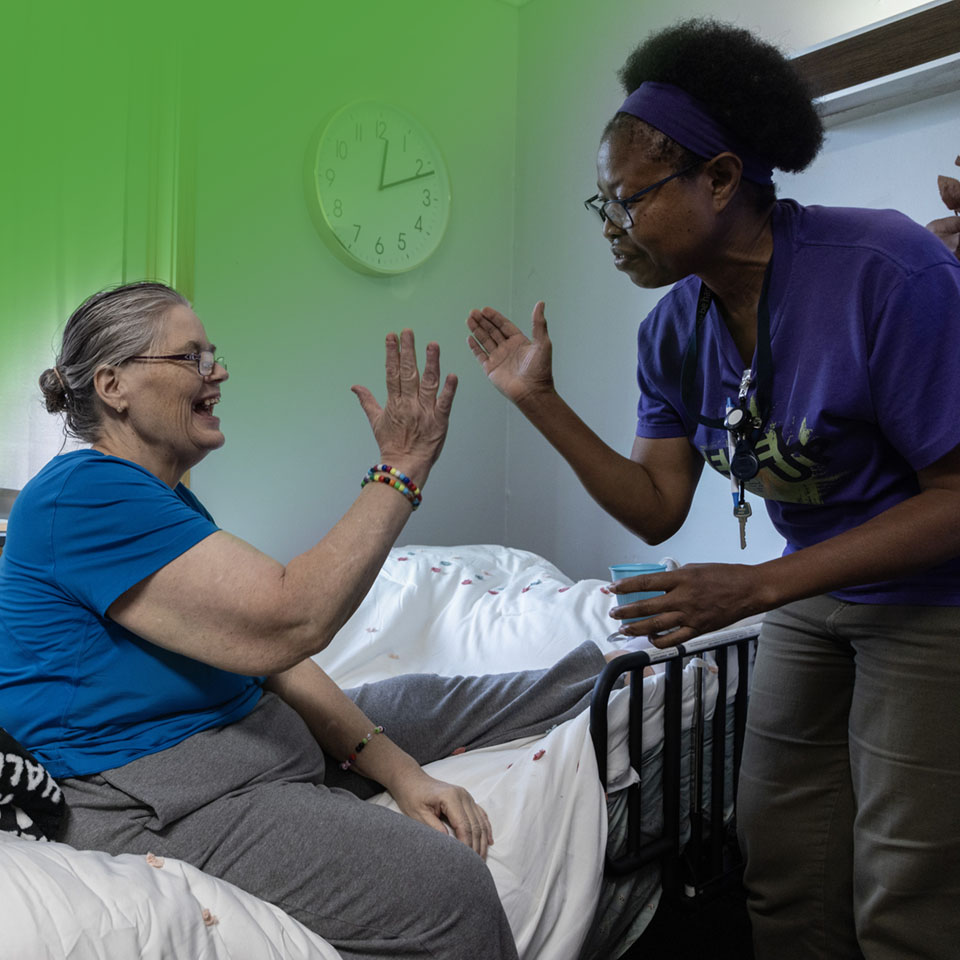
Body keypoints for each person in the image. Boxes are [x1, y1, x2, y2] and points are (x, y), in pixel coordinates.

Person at [466, 18, 960, 960]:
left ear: (722, 179)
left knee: (906, 891)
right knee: (779, 863)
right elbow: (657, 503)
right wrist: (540, 402)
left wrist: (758, 587)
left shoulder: (885, 271)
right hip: (814, 596)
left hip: (931, 603)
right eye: (600, 206)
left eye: (628, 201)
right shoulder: (673, 331)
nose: (611, 227)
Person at [0, 281, 618, 960]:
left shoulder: (165, 501)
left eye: (214, 354)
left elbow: (276, 659)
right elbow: (290, 618)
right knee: (452, 892)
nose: (219, 372)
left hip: (250, 743)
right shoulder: (79, 494)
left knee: (461, 694)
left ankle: (625, 674)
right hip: (164, 795)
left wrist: (402, 771)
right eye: (191, 358)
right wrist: (401, 468)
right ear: (114, 384)